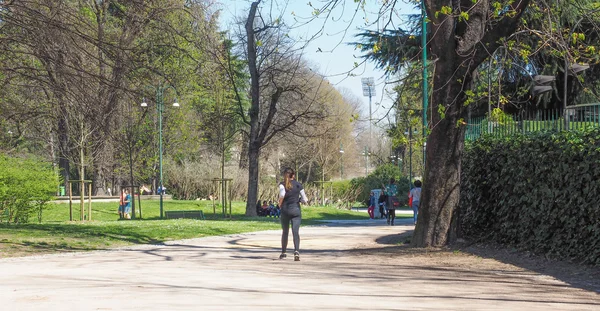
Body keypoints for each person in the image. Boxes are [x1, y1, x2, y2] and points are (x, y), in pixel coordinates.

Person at [278, 168, 308, 261]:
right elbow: (305, 199)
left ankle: (283, 253)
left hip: (285, 210)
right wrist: (299, 200)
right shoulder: (299, 185)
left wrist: (279, 203)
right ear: (293, 175)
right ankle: (296, 252)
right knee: (295, 232)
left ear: (284, 175)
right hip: (295, 210)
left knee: (285, 232)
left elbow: (282, 195)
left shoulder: (282, 185)